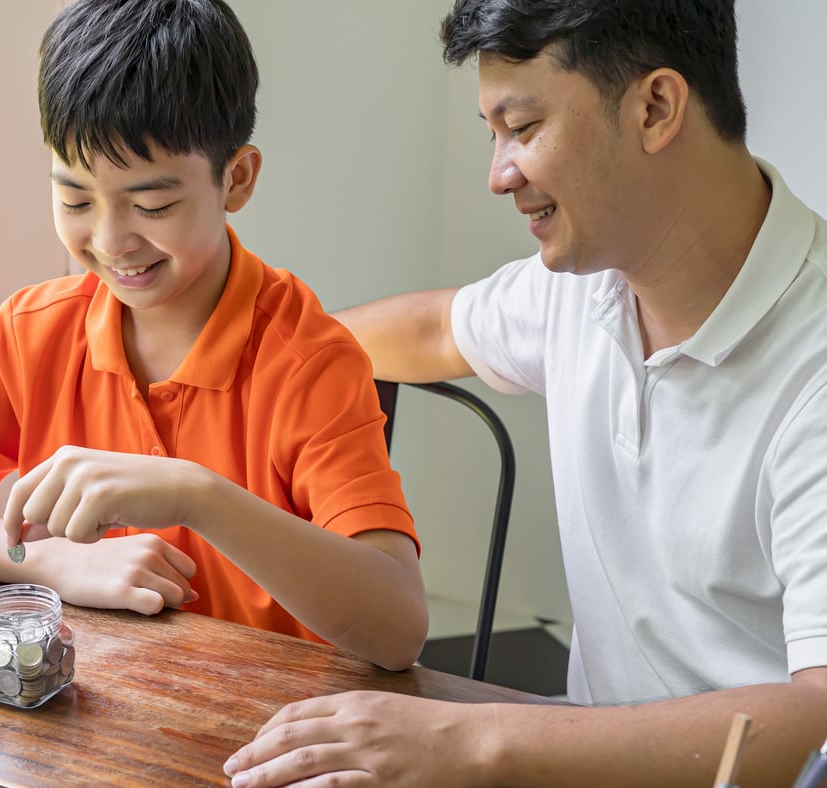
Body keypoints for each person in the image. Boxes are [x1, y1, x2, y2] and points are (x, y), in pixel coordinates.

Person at [223, 0, 827, 784]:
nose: (497, 175)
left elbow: (819, 717)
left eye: (522, 128)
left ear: (654, 107)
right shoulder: (593, 282)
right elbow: (438, 330)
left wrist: (473, 741)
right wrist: (231, 363)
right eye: (490, 134)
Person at [0, 0, 427, 672]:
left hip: (257, 731)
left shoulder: (309, 364)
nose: (110, 242)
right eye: (75, 199)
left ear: (237, 178)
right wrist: (52, 563)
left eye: (152, 205)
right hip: (87, 721)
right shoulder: (36, 332)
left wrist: (194, 495)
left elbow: (396, 629)